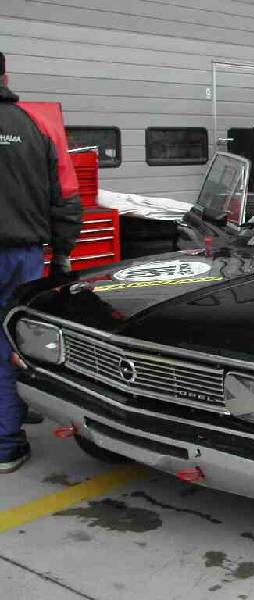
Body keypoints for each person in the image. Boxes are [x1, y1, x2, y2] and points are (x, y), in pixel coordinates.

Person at [0, 52, 83, 474]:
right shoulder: (36, 124)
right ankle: (10, 434)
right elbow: (66, 195)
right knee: (17, 339)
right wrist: (65, 252)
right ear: (6, 76)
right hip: (25, 254)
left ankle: (7, 436)